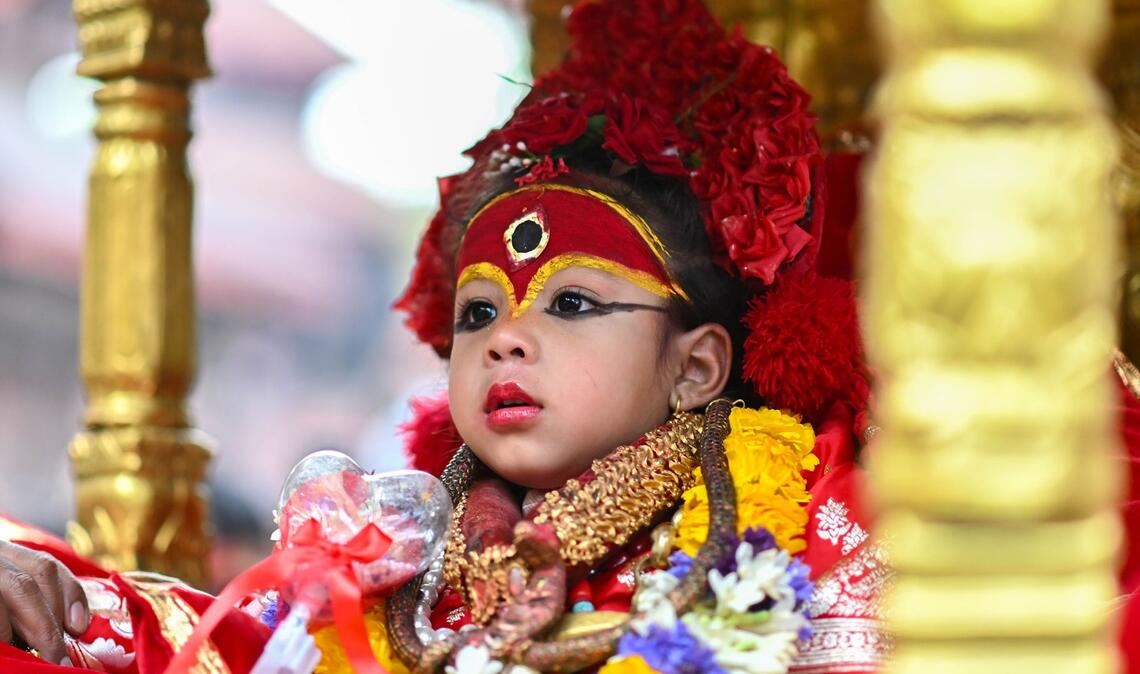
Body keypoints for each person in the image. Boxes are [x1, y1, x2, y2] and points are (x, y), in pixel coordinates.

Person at [0, 1, 1137, 673]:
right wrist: (51, 591)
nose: (506, 341)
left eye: (574, 304)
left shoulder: (812, 527)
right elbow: (222, 646)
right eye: (477, 313)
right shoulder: (397, 558)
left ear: (696, 364)